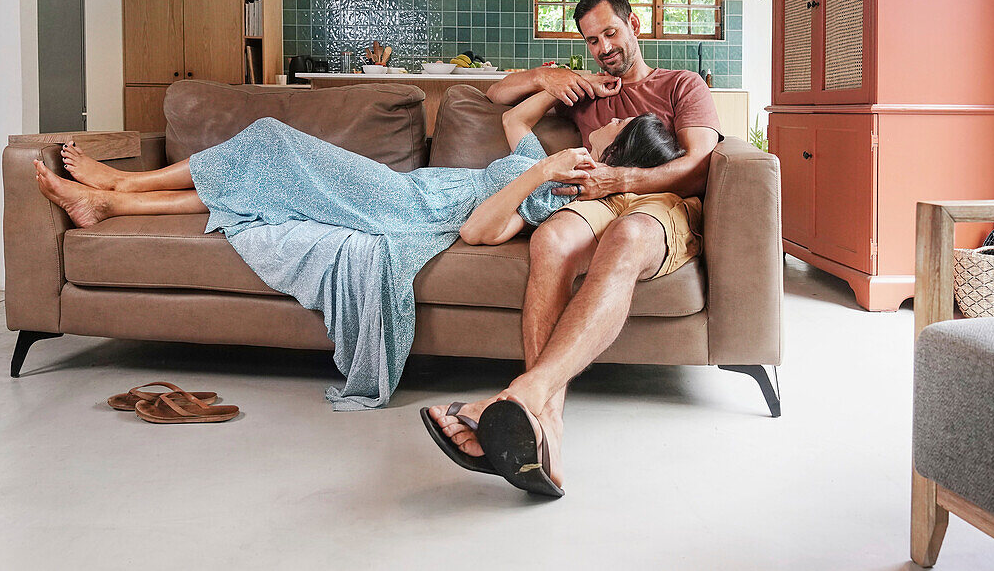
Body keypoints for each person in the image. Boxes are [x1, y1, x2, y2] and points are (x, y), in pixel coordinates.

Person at [34, 87, 684, 410]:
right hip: (401, 188)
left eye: (619, 127)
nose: (610, 121)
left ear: (619, 154)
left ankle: (120, 183)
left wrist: (537, 177)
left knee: (266, 140)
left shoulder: (553, 196)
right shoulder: (552, 160)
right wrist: (554, 81)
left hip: (398, 208)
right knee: (264, 187)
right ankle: (113, 200)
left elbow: (480, 231)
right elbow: (511, 120)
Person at [426, 0, 722, 496]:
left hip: (661, 198)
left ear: (633, 26)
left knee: (627, 237)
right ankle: (549, 431)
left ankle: (521, 395)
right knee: (550, 238)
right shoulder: (590, 92)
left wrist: (624, 181)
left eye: (610, 32)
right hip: (597, 195)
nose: (604, 46)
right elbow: (499, 98)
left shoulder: (680, 84)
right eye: (591, 40)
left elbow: (697, 164)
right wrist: (552, 78)